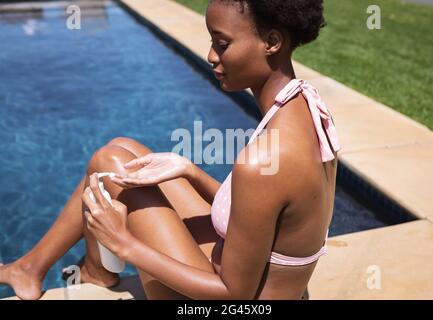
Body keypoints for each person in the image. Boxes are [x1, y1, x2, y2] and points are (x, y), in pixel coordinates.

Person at [0, 0, 340, 300]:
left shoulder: (266, 158)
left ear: (272, 42)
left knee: (110, 163)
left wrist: (125, 244)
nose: (210, 55)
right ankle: (64, 269)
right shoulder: (305, 108)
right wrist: (188, 169)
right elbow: (264, 213)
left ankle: (72, 269)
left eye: (222, 44)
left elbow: (234, 296)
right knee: (125, 149)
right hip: (259, 279)